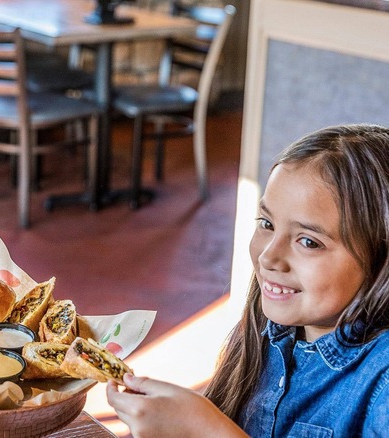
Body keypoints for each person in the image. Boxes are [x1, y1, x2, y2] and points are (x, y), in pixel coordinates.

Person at [107, 124, 389, 437]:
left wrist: (208, 431)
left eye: (308, 241)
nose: (269, 257)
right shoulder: (267, 335)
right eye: (267, 223)